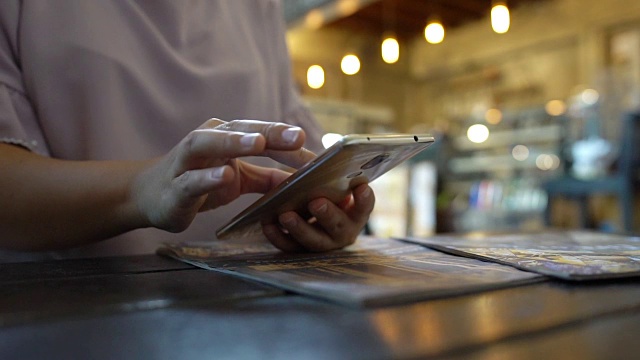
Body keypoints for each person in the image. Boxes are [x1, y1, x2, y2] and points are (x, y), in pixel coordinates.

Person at [0, 1, 375, 262]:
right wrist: (143, 190)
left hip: (248, 310)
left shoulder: (260, 6)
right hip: (71, 313)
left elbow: (301, 158)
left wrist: (325, 213)